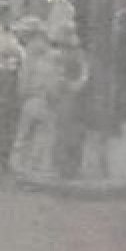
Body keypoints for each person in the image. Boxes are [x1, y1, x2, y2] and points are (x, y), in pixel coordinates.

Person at [12, 18, 59, 175]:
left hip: (32, 98)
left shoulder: (30, 53)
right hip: (46, 98)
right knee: (43, 133)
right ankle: (36, 165)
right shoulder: (50, 53)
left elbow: (25, 77)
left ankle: (20, 165)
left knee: (25, 133)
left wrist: (21, 93)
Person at [0, 2, 24, 186]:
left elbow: (20, 53)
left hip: (6, 76)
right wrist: (13, 55)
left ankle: (0, 165)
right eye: (7, 14)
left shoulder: (7, 32)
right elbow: (6, 50)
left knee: (5, 122)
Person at [49, 23, 89, 178]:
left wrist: (75, 85)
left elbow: (84, 72)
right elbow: (56, 73)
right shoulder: (59, 55)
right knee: (65, 131)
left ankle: (70, 166)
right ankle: (65, 166)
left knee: (72, 131)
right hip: (65, 95)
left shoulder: (77, 55)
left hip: (72, 95)